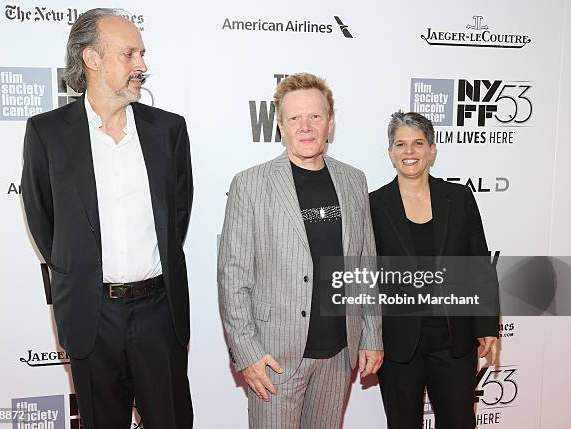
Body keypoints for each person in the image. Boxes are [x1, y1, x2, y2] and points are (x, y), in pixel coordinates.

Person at [21, 8, 193, 428]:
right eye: (129, 54)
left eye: (142, 54)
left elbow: (178, 215)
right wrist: (77, 270)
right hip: (89, 317)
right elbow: (44, 221)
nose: (142, 65)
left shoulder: (168, 130)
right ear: (91, 58)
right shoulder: (47, 133)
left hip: (159, 312)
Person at [217, 73, 383, 429]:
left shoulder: (354, 180)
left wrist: (371, 334)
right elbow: (233, 277)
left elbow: (365, 265)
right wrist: (247, 353)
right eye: (294, 118)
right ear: (280, 125)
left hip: (339, 355)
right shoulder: (250, 184)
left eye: (315, 117)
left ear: (331, 123)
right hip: (275, 357)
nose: (305, 127)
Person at [369, 111, 500, 429]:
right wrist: (367, 336)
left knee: (458, 422)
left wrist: (487, 326)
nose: (409, 152)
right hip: (398, 343)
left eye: (417, 143)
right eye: (400, 144)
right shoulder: (372, 205)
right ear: (390, 153)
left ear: (432, 149)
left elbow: (478, 265)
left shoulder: (458, 198)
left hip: (454, 340)